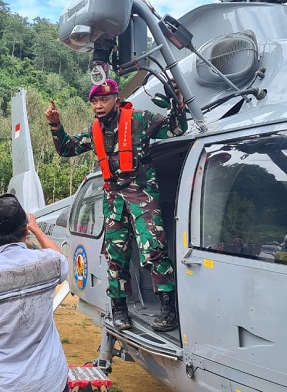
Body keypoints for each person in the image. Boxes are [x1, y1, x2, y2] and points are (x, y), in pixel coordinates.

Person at [46, 78, 187, 332]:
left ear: (116, 100)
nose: (98, 106)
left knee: (154, 249)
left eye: (104, 99)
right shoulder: (94, 131)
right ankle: (119, 310)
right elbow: (66, 148)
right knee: (115, 257)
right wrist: (55, 124)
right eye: (94, 101)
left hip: (141, 194)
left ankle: (169, 310)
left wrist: (178, 102)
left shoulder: (140, 120)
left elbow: (176, 129)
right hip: (113, 199)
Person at [0, 194, 68, 392]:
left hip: (7, 383)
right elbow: (60, 258)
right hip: (51, 380)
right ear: (25, 228)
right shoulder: (50, 262)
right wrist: (36, 228)